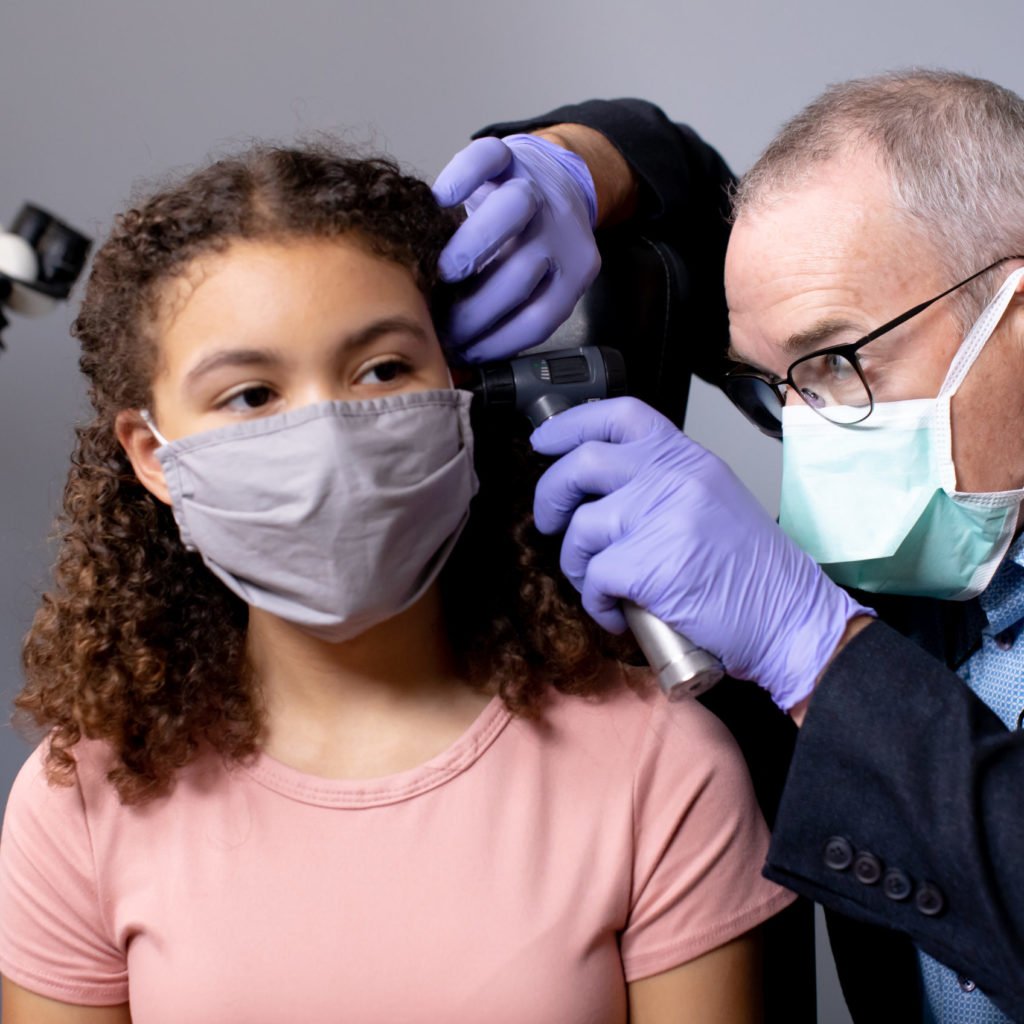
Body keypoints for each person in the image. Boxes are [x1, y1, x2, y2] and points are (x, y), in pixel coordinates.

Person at [0, 141, 794, 1023]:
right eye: (251, 396)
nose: (332, 437)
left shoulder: (661, 769)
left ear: (454, 392)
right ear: (153, 455)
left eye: (381, 371)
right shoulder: (83, 799)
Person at [432, 71, 1024, 1022]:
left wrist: (819, 654)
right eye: (774, 381)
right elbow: (689, 183)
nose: (806, 431)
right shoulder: (925, 507)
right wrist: (577, 167)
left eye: (837, 363)